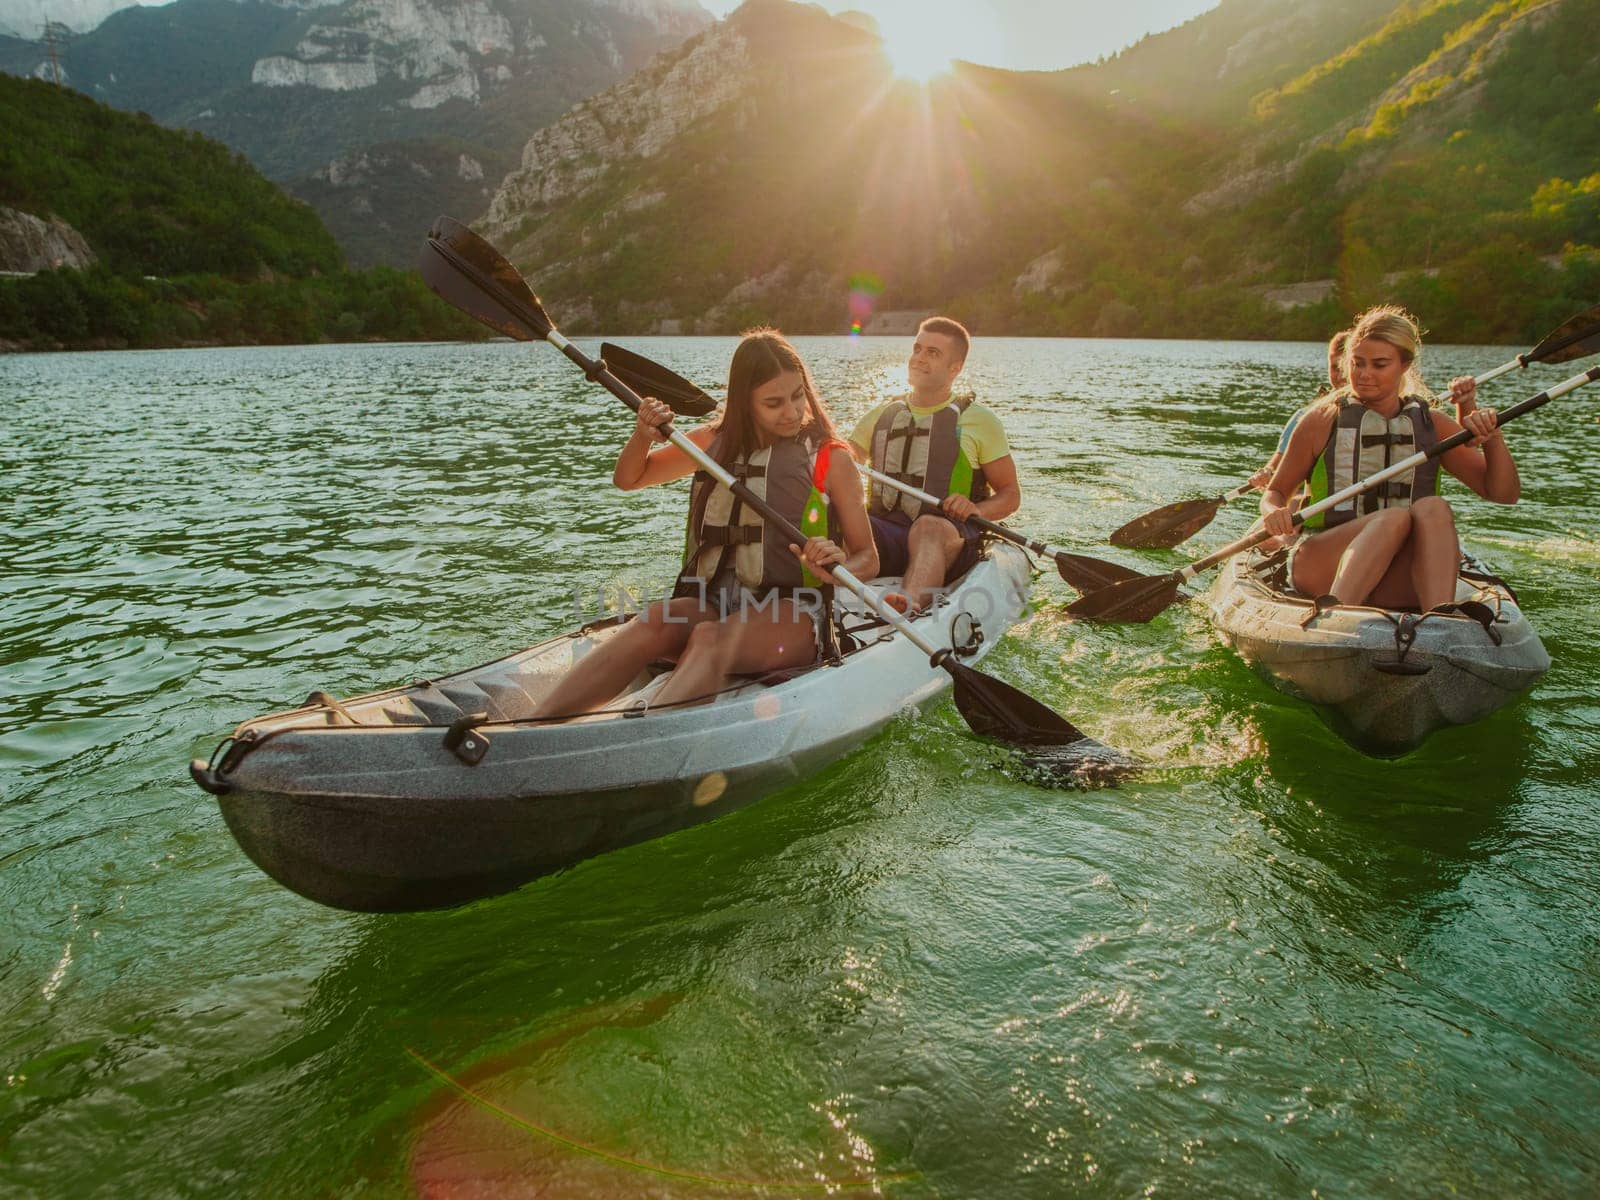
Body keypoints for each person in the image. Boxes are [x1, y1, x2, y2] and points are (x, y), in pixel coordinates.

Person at [531, 329, 877, 720]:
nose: (793, 412)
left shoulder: (832, 458)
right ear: (745, 403)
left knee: (710, 640)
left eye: (798, 395)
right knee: (655, 621)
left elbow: (868, 559)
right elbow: (629, 479)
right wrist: (643, 435)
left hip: (794, 613)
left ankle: (643, 743)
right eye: (774, 403)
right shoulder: (714, 443)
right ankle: (531, 728)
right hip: (713, 601)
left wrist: (836, 567)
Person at [1261, 305, 1518, 611]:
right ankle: (1336, 614)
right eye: (1357, 363)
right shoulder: (1322, 420)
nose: (1364, 374)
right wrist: (1273, 511)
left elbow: (1503, 494)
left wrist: (1493, 439)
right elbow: (1275, 493)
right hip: (1323, 563)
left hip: (1397, 576)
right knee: (1392, 518)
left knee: (1434, 507)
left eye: (1379, 365)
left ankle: (1438, 615)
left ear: (1404, 365)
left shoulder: (1432, 424)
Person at [847, 316, 1019, 613]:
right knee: (838, 516)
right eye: (917, 349)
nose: (919, 358)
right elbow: (842, 463)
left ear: (955, 369)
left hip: (947, 536)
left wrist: (977, 509)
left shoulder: (979, 421)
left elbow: (1010, 494)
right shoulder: (882, 414)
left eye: (933, 353)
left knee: (927, 527)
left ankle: (907, 606)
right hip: (885, 534)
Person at [1248, 329, 1350, 490]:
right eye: (1335, 368)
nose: (1340, 376)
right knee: (1295, 501)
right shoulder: (1305, 416)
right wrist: (1267, 472)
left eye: (1346, 367)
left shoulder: (1383, 414)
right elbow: (1279, 459)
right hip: (1308, 501)